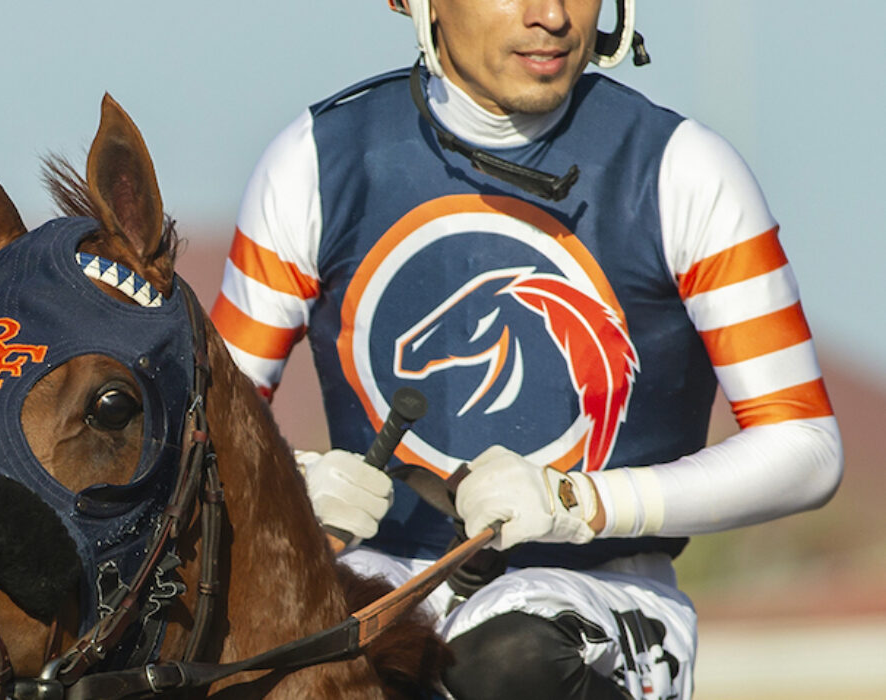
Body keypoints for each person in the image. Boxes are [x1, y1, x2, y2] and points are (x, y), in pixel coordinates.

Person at [211, 1, 843, 697]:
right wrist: (290, 490)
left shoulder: (686, 169)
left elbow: (806, 448)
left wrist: (581, 502)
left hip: (603, 591)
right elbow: (207, 436)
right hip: (388, 571)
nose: (551, 16)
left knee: (509, 662)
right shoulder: (312, 161)